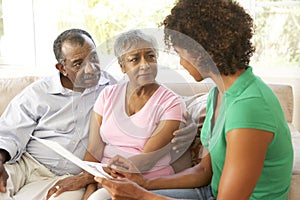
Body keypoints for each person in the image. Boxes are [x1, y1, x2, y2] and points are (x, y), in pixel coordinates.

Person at [94, 0, 294, 199]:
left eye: (180, 53)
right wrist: (145, 183)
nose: (181, 62)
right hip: (209, 192)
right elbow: (204, 172)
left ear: (200, 53)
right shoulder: (218, 94)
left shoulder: (249, 107)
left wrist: (142, 195)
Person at [46, 29, 193, 200]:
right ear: (122, 66)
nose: (145, 64)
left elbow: (145, 161)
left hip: (142, 180)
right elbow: (94, 150)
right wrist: (90, 187)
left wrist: (89, 178)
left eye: (150, 56)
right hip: (104, 178)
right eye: (134, 59)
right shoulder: (107, 95)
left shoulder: (171, 103)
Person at [0, 28, 118, 200]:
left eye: (93, 58)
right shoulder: (38, 92)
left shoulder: (113, 88)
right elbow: (9, 131)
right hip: (26, 164)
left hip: (70, 176)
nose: (91, 69)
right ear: (62, 68)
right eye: (78, 63)